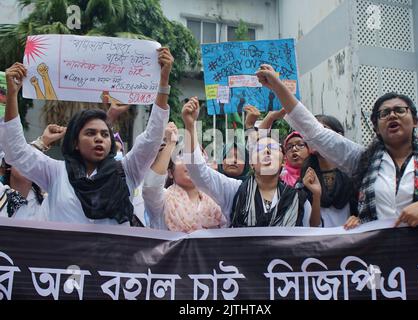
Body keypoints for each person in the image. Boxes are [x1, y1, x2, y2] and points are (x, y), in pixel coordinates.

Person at [255, 64, 418, 229]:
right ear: (376, 127)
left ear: (415, 120)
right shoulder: (362, 160)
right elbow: (315, 131)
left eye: (400, 110)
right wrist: (277, 86)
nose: (392, 115)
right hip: (377, 262)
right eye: (384, 113)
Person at [0, 47, 173, 226]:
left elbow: (152, 138)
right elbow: (16, 152)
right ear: (75, 142)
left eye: (105, 134)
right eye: (90, 133)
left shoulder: (127, 171)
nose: (99, 138)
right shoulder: (56, 172)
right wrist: (12, 94)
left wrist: (163, 82)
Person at [181, 97, 321, 228]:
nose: (267, 152)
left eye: (272, 148)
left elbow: (313, 233)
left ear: (283, 161)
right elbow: (198, 172)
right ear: (252, 162)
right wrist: (189, 126)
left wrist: (317, 197)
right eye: (260, 149)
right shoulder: (233, 191)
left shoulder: (298, 197)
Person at [143, 122, 226, 232]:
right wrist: (170, 143)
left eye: (196, 158)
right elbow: (150, 186)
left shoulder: (217, 200)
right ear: (170, 173)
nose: (190, 162)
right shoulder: (162, 201)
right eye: (181, 156)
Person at [301, 115, 358, 227]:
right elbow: (311, 226)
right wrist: (316, 196)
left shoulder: (354, 173)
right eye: (309, 130)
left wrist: (359, 219)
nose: (314, 135)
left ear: (338, 136)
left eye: (321, 129)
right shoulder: (305, 179)